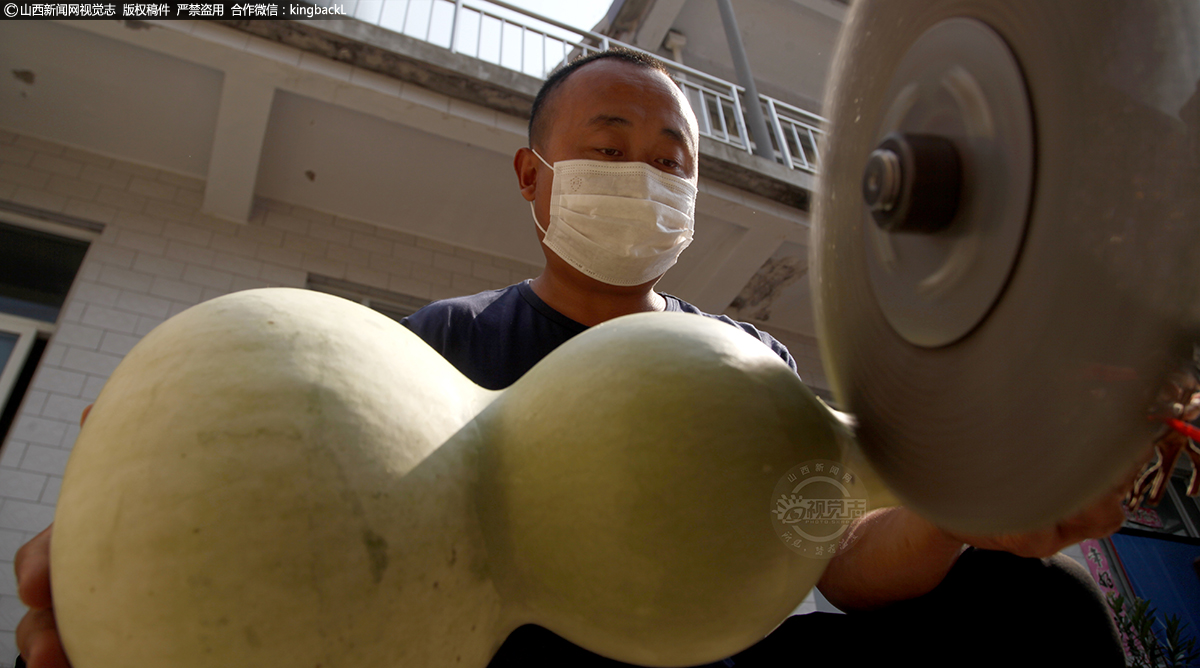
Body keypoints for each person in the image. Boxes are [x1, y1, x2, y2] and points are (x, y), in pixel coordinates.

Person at [14, 49, 1131, 668]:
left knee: (1044, 619)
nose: (644, 175)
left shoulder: (744, 351)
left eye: (670, 158)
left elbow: (837, 554)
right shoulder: (447, 343)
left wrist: (965, 497)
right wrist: (166, 499)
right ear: (532, 174)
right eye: (608, 151)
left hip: (699, 658)